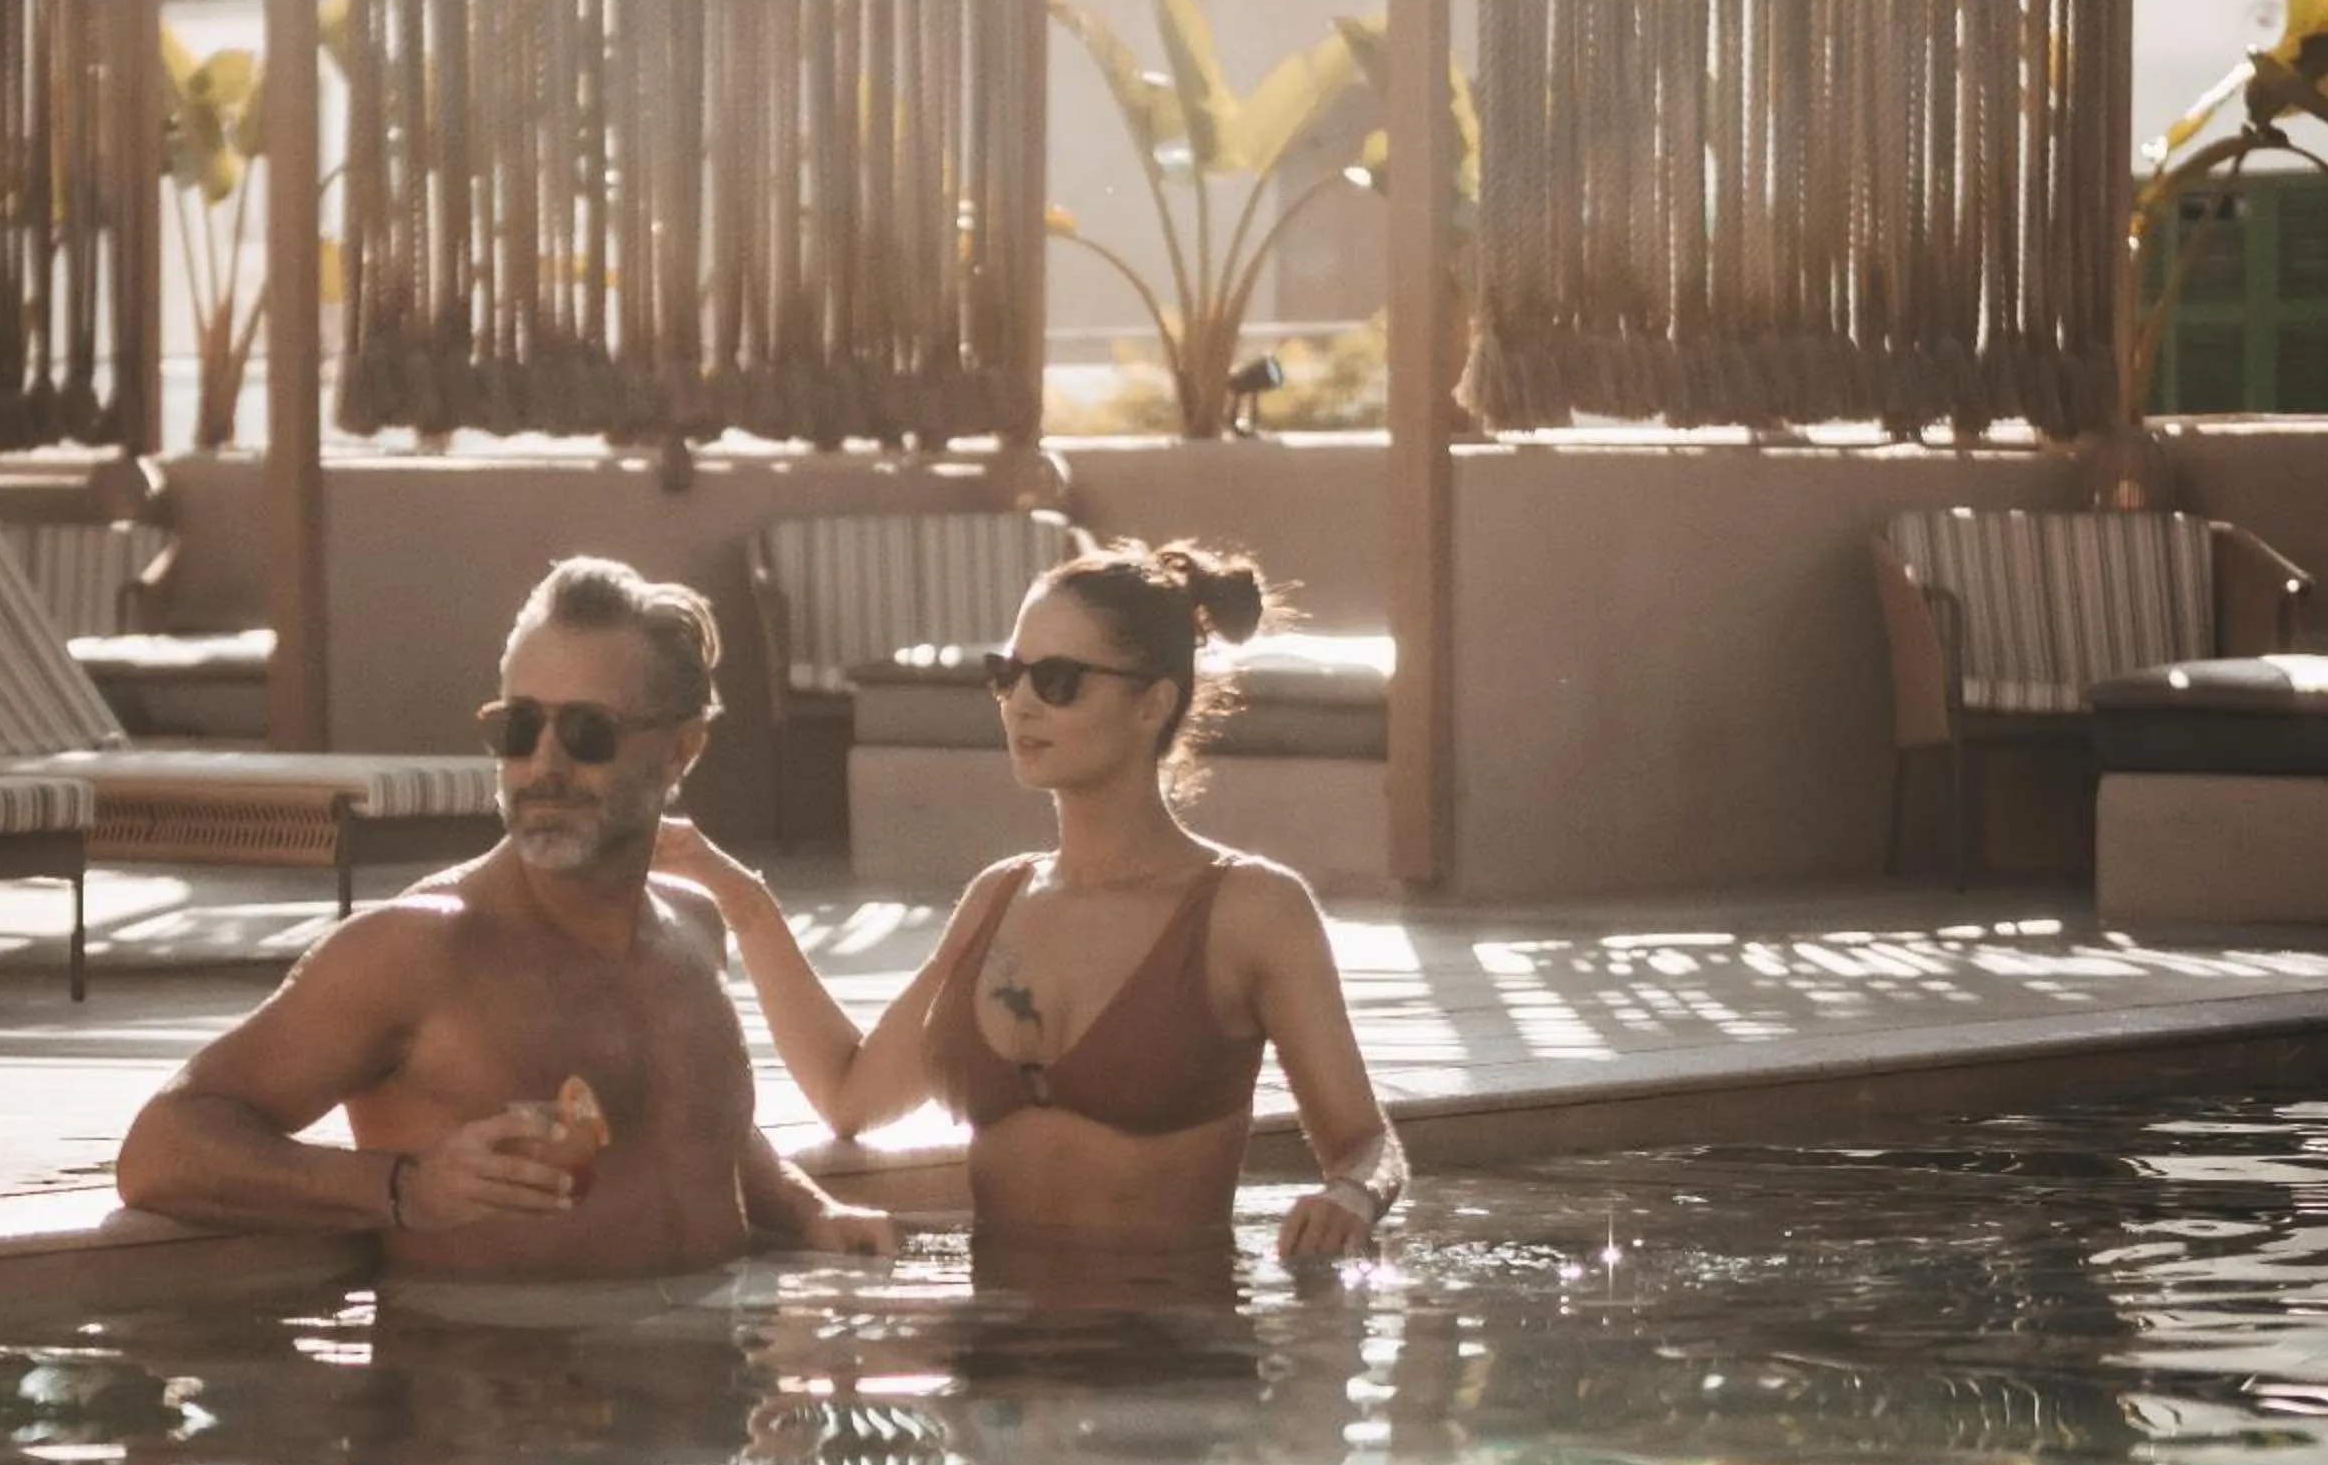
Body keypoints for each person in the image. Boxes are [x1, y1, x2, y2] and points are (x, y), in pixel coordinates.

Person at [116, 557, 895, 1279]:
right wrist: (405, 1187)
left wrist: (809, 1211)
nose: (544, 765)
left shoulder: (693, 929)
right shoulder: (415, 951)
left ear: (681, 751)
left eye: (587, 732)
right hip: (510, 1389)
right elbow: (162, 1147)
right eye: (518, 728)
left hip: (712, 1375)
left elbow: (695, 1127)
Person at [657, 538, 1404, 1262]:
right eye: (1006, 674)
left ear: (1153, 705)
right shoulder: (999, 897)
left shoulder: (1251, 910)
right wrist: (740, 897)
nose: (1019, 704)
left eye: (1058, 681)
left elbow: (1368, 1145)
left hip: (1173, 1354)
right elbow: (850, 1096)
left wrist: (1352, 1196)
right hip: (993, 1352)